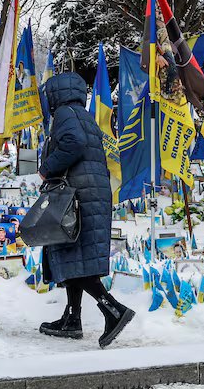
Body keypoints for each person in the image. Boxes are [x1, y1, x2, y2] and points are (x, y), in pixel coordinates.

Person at [37, 72, 134, 348]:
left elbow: (74, 144)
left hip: (76, 196)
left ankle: (113, 310)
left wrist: (47, 168)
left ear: (55, 94)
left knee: (74, 257)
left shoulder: (66, 113)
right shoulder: (81, 113)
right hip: (90, 194)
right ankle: (72, 318)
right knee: (73, 256)